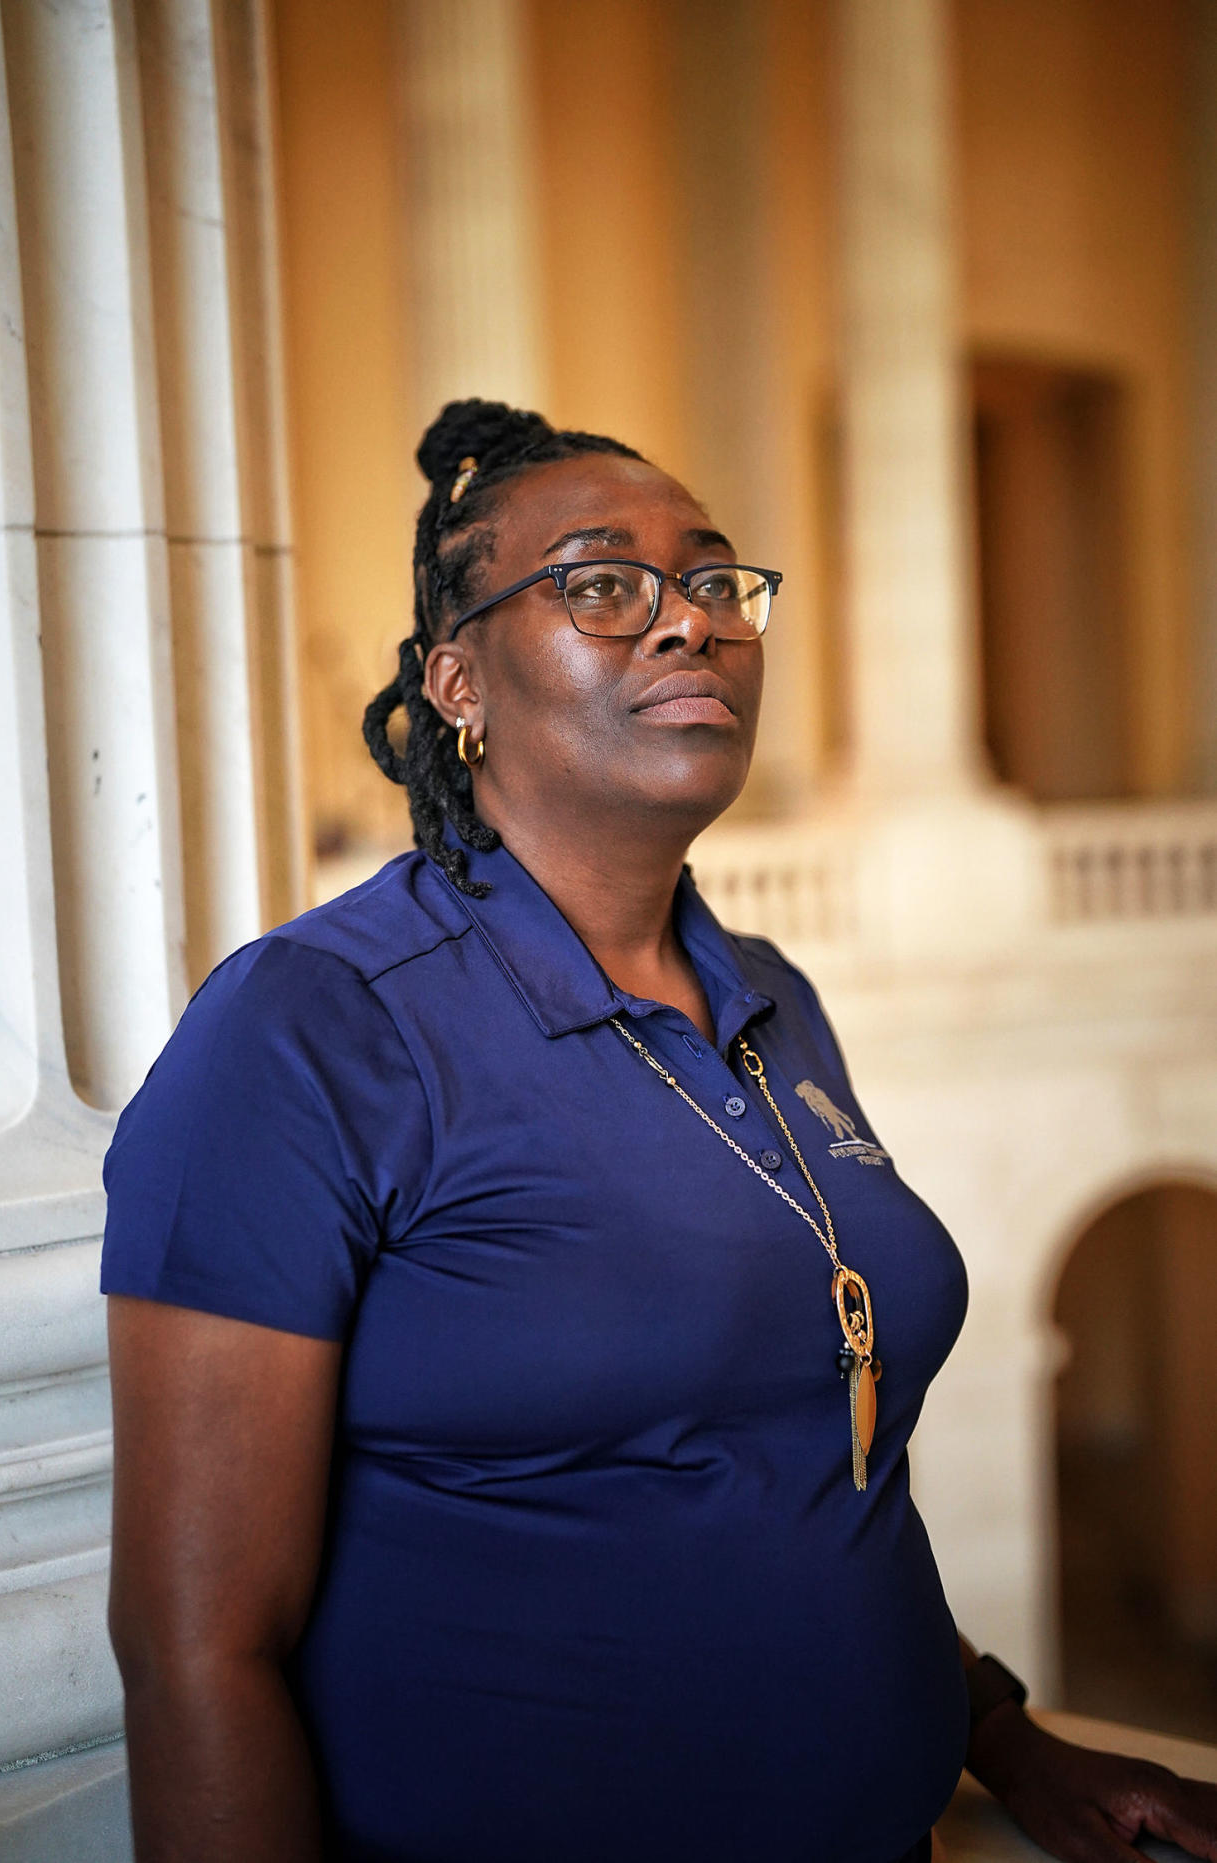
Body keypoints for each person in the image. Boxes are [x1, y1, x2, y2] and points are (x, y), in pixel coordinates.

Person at [102, 400, 1217, 1863]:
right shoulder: (309, 1029)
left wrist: (1003, 1741)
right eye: (598, 582)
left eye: (712, 579)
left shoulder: (771, 998)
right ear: (458, 681)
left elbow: (810, 1476)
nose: (686, 622)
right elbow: (200, 1652)